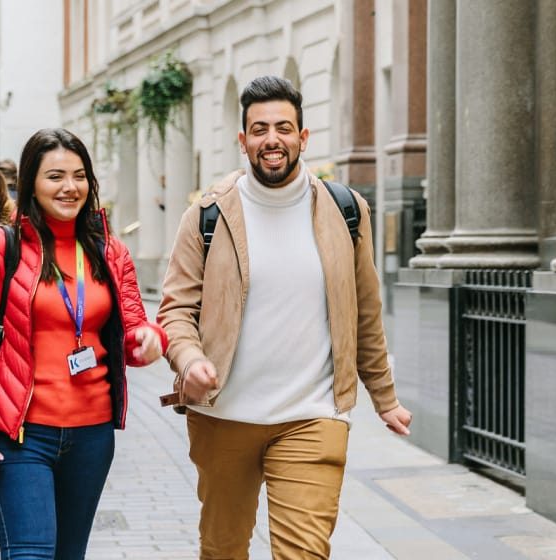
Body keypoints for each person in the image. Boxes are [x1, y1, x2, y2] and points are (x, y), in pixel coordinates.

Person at [157, 76, 413, 559]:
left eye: (282, 128)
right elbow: (176, 309)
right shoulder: (208, 215)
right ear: (243, 140)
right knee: (223, 548)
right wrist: (189, 360)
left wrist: (385, 398)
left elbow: (365, 311)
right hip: (223, 415)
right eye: (259, 129)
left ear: (302, 137)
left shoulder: (346, 211)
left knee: (304, 554)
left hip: (312, 414)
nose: (271, 139)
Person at [0, 128, 166, 559]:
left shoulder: (109, 252)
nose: (70, 187)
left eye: (79, 175)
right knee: (30, 554)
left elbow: (134, 325)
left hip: (92, 435)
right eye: (55, 176)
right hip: (22, 435)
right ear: (31, 183)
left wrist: (149, 339)